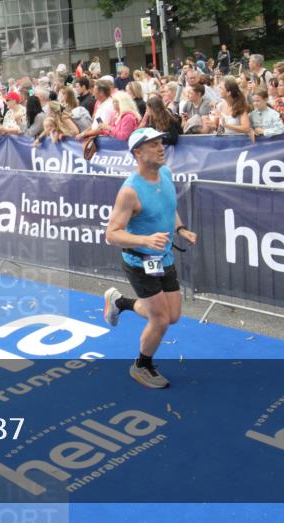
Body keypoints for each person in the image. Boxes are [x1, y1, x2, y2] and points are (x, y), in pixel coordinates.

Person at [102, 128, 196, 388]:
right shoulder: (130, 192)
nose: (160, 147)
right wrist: (144, 240)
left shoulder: (165, 173)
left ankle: (119, 302)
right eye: (153, 144)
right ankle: (141, 365)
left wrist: (181, 229)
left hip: (163, 258)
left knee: (173, 315)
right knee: (160, 319)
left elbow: (169, 209)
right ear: (138, 153)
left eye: (160, 142)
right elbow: (111, 234)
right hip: (140, 262)